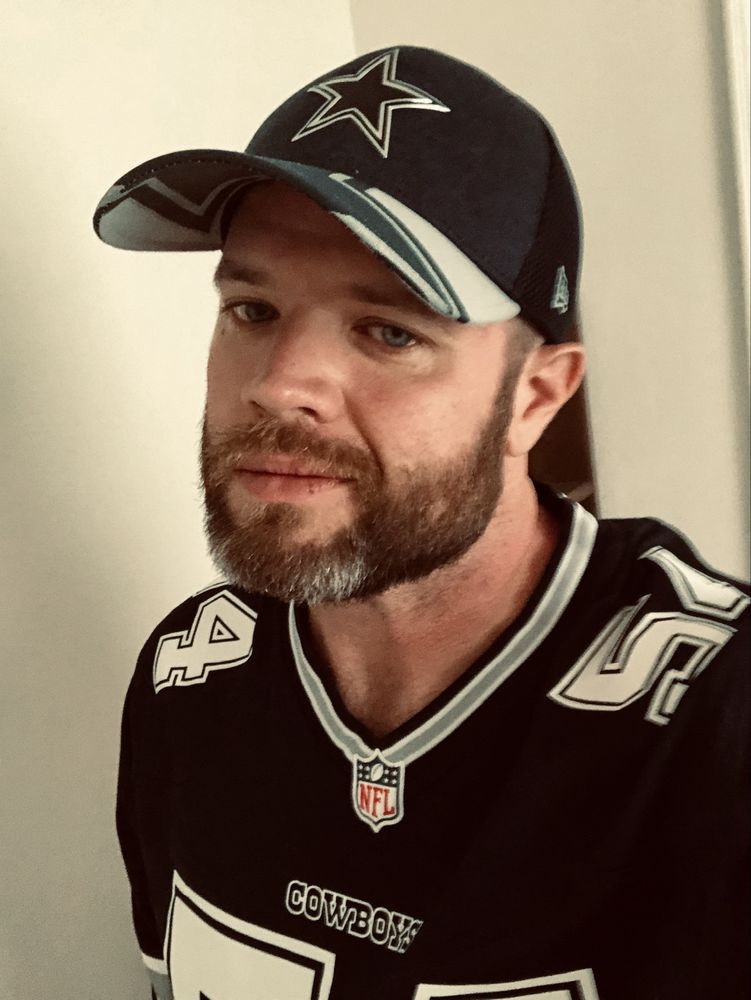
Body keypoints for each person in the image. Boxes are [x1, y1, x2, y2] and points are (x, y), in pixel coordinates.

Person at [94, 46, 750, 1000]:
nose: (278, 385)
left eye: (390, 331)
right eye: (253, 309)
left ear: (534, 397)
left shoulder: (712, 728)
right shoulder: (188, 677)